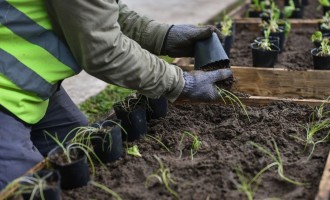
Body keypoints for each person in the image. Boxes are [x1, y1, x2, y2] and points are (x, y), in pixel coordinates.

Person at [0, 0, 232, 190]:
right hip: (6, 88)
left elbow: (96, 13)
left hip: (29, 82)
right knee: (21, 186)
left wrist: (161, 36)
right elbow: (105, 51)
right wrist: (182, 82)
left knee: (85, 146)